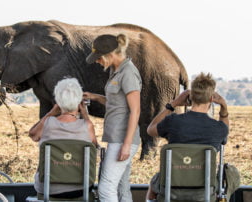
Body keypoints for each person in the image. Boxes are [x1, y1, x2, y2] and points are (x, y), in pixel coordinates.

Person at [146, 72, 239, 201]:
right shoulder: (219, 128)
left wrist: (172, 104)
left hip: (172, 188)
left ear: (190, 97)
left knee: (154, 182)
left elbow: (150, 130)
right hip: (204, 191)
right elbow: (225, 131)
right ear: (211, 99)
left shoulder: (173, 122)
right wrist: (224, 108)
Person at [84, 33, 142, 202]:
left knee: (106, 188)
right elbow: (116, 103)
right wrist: (94, 97)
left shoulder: (128, 73)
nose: (97, 61)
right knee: (121, 189)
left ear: (110, 54)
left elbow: (135, 110)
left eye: (98, 57)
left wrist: (126, 144)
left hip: (122, 139)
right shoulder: (115, 70)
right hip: (116, 138)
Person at [29, 78, 97, 198]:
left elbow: (33, 135)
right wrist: (85, 114)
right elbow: (94, 147)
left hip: (48, 190)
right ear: (79, 102)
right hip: (81, 189)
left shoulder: (47, 123)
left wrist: (51, 112)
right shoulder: (87, 125)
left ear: (58, 102)